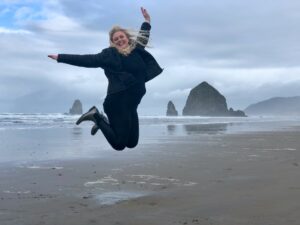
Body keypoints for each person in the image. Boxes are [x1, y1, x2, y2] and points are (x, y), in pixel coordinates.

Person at [48, 7, 163, 151]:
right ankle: (96, 116)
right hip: (117, 104)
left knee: (132, 143)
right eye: (116, 39)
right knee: (119, 145)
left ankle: (102, 122)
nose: (119, 40)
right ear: (112, 42)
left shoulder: (137, 50)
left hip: (132, 105)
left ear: (127, 37)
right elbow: (88, 60)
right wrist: (61, 57)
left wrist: (147, 20)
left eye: (121, 37)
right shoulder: (110, 56)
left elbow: (143, 36)